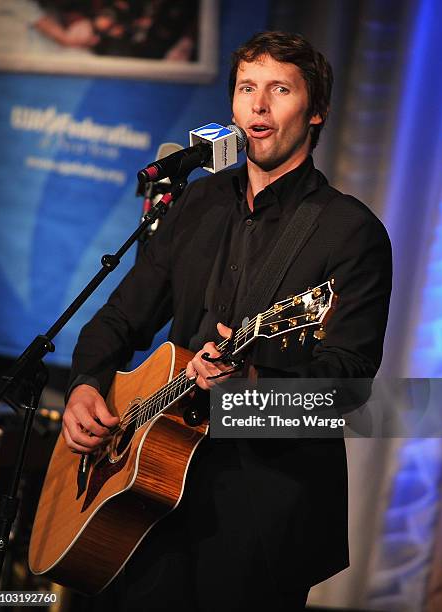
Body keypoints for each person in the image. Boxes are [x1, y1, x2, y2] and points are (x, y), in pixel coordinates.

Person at [62, 31, 392, 612]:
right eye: (247, 89)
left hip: (255, 518)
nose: (258, 106)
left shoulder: (351, 232)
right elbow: (121, 315)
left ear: (315, 112)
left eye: (279, 89)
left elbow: (347, 388)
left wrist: (249, 393)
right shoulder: (196, 203)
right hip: (146, 493)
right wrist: (87, 382)